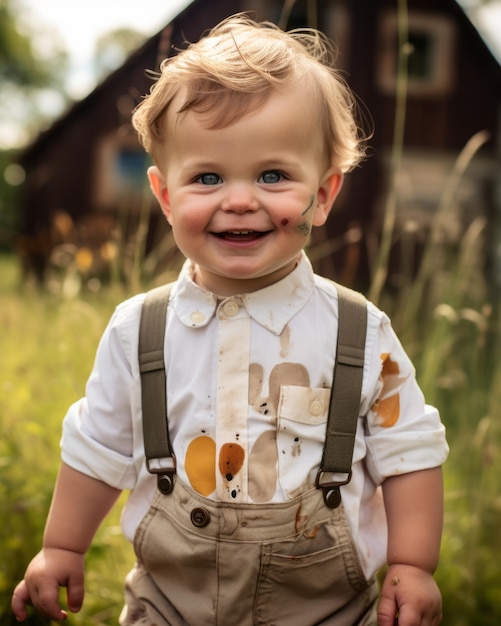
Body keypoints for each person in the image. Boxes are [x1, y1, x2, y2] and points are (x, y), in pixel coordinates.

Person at [11, 14, 448, 626]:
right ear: (165, 197)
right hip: (169, 602)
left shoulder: (360, 331)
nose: (239, 199)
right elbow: (98, 445)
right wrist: (62, 546)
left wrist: (413, 563)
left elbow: (409, 452)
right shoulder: (139, 330)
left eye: (273, 175)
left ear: (321, 196)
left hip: (324, 608)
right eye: (208, 177)